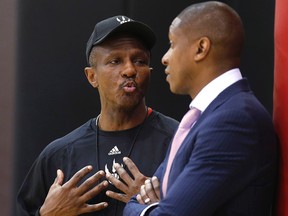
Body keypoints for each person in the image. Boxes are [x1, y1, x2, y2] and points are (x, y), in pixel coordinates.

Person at [123, 1, 278, 215]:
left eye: (173, 44)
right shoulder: (202, 117)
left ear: (201, 48)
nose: (164, 58)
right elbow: (141, 199)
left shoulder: (234, 121)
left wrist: (143, 209)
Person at [16, 15, 179, 216]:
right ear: (92, 76)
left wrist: (159, 208)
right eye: (115, 61)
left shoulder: (179, 142)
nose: (129, 70)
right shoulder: (59, 154)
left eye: (140, 61)